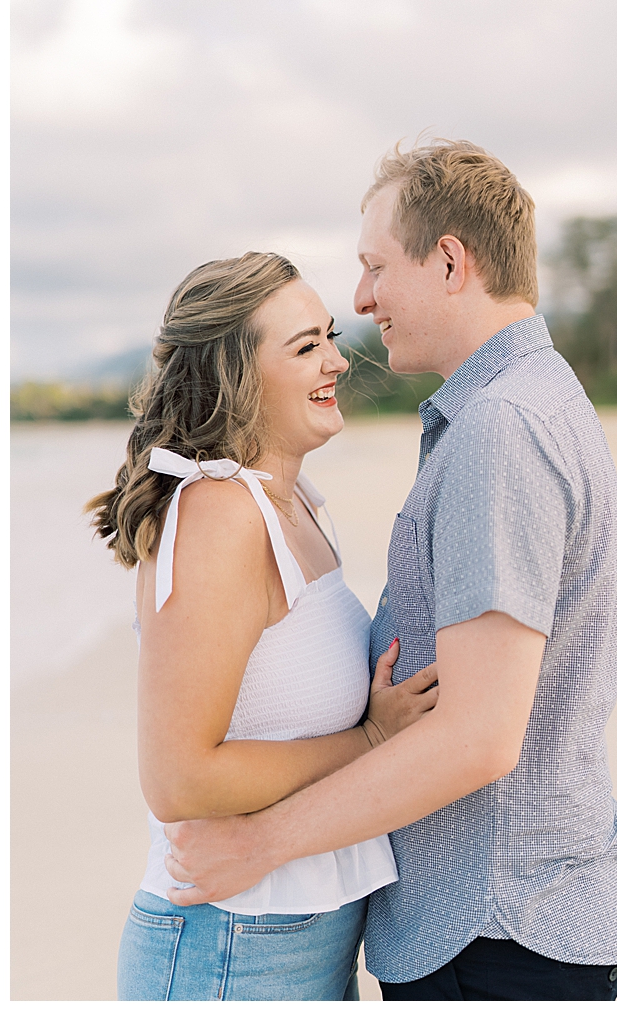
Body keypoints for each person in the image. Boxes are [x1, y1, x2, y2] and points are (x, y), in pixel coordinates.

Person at [161, 141, 617, 1001]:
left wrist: (261, 843)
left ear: (450, 261)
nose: (363, 298)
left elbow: (477, 738)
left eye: (376, 267)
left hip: (499, 927)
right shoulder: (530, 398)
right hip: (509, 919)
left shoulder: (504, 428)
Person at [89, 252, 439, 1000]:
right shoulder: (219, 512)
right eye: (305, 346)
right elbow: (179, 779)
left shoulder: (298, 503)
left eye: (330, 337)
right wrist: (371, 741)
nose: (338, 362)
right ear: (234, 377)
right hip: (229, 944)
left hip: (301, 933)